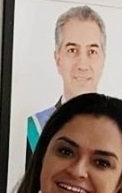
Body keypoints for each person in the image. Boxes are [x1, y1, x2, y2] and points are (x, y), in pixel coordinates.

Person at [26, 5, 106, 158]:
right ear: (58, 59)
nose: (82, 65)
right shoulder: (35, 129)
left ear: (103, 59)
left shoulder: (119, 131)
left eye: (92, 52)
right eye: (72, 50)